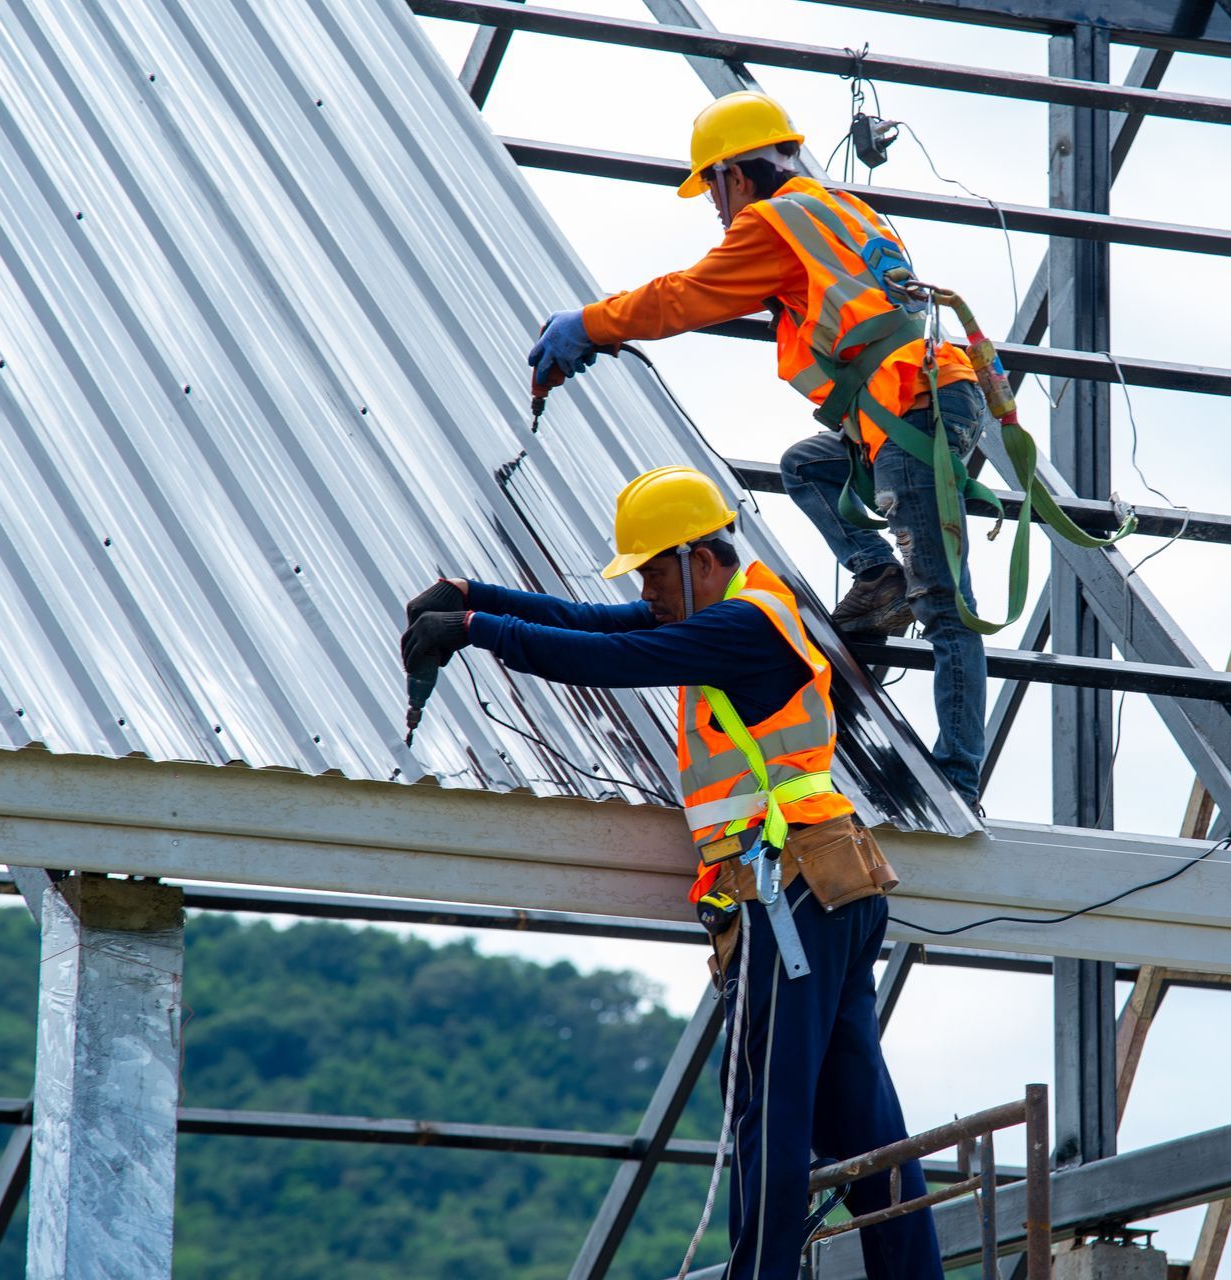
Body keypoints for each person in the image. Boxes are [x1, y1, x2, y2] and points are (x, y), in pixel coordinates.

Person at [399, 466, 944, 1280]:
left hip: (789, 886)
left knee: (771, 1105)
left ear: (699, 557)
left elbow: (612, 658)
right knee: (863, 1114)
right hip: (832, 879)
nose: (646, 588)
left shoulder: (744, 630)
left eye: (653, 569)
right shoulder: (740, 611)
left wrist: (474, 631)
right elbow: (594, 623)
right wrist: (475, 597)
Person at [526, 90, 987, 805]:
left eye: (711, 188)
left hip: (911, 410)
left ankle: (959, 778)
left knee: (947, 604)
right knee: (808, 467)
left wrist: (592, 323)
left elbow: (687, 295)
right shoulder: (838, 210)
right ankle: (877, 575)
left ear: (733, 176)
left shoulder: (773, 224)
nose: (715, 208)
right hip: (914, 403)